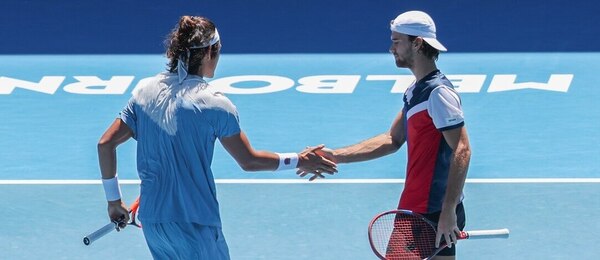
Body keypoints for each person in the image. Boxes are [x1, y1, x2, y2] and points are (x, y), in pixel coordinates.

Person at [97, 15, 336, 259]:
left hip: (154, 223)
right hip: (196, 223)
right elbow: (249, 161)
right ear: (210, 52)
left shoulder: (143, 93)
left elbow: (105, 144)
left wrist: (113, 201)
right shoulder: (215, 103)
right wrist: (300, 160)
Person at [299, 11, 471, 260]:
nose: (391, 48)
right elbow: (392, 139)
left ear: (417, 43)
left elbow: (462, 149)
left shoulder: (438, 94)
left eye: (396, 40)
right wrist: (335, 156)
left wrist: (448, 210)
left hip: (429, 210)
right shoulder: (416, 91)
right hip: (421, 206)